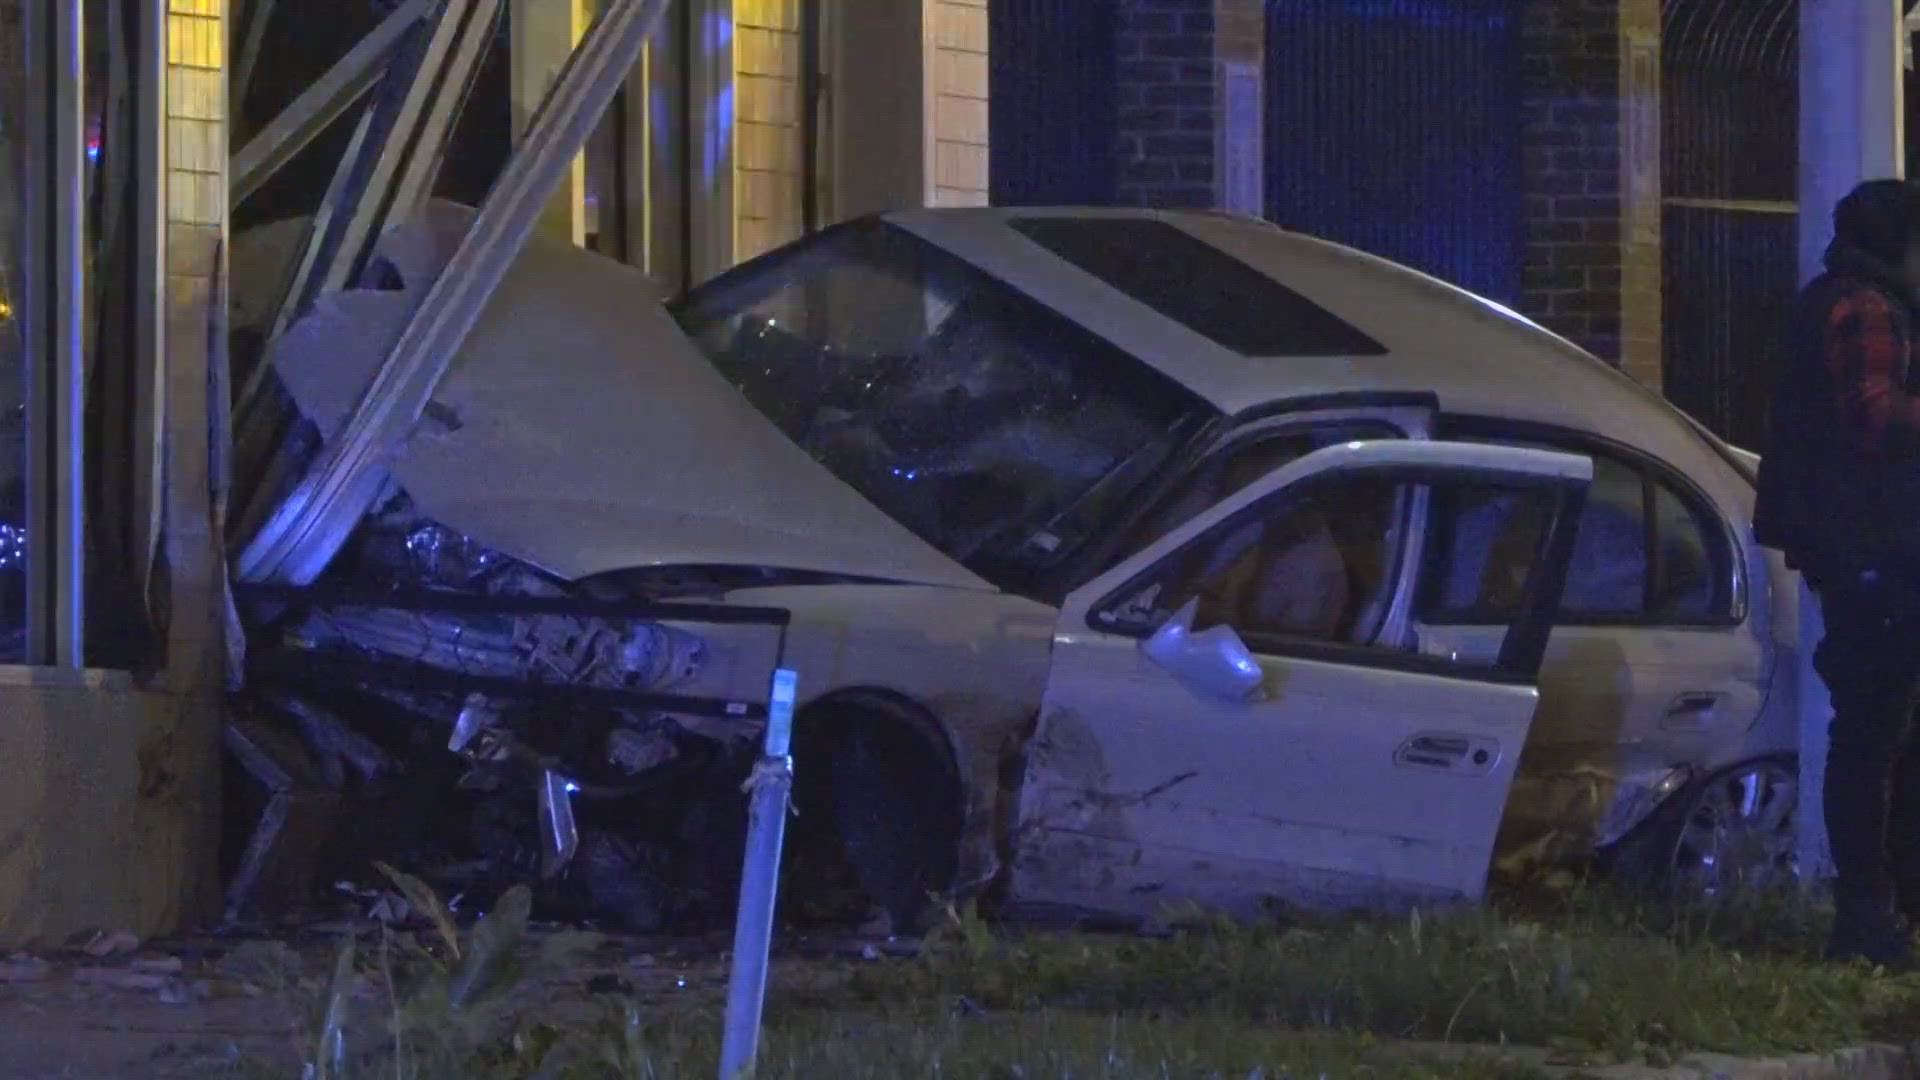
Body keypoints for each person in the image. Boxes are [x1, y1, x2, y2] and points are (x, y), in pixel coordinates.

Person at [1754, 178, 1920, 966]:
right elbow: (1874, 413)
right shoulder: (1866, 308)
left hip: (1863, 551)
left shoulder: (1839, 297)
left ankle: (1884, 912)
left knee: (1885, 732)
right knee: (1878, 734)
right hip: (1875, 552)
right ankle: (1869, 917)